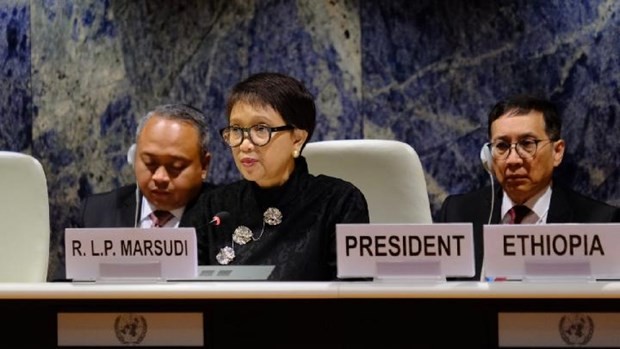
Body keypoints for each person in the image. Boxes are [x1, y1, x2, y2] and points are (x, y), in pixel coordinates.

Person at [186, 72, 370, 281]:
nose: (245, 144)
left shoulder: (339, 203)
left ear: (297, 139)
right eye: (236, 129)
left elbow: (355, 297)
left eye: (261, 129)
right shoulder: (213, 207)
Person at [438, 94, 620, 280]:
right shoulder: (457, 213)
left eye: (527, 144)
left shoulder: (599, 223)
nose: (513, 160)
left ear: (557, 152)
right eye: (502, 146)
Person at [78, 103, 215, 229]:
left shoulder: (227, 214)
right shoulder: (96, 212)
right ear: (134, 157)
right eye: (150, 163)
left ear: (204, 165)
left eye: (176, 166)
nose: (160, 177)